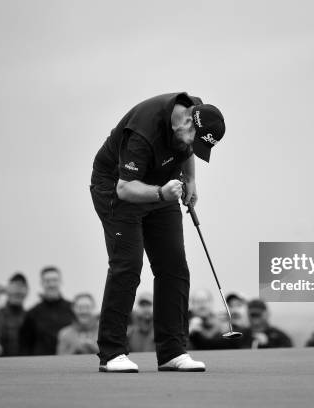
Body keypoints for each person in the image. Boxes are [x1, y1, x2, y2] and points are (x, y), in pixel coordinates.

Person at [90, 92, 226, 373]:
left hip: (160, 184)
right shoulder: (143, 133)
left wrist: (190, 180)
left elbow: (186, 151)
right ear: (185, 122)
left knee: (174, 265)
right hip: (117, 188)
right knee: (127, 265)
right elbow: (125, 188)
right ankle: (112, 352)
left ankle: (172, 351)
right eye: (193, 139)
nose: (191, 147)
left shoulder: (194, 111)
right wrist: (161, 193)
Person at [19, 266, 74, 355]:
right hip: (41, 365)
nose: (51, 284)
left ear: (61, 282)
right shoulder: (32, 313)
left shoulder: (72, 309)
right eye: (47, 281)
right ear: (42, 283)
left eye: (55, 280)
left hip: (68, 363)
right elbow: (25, 345)